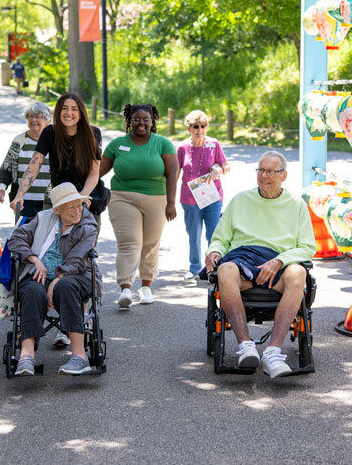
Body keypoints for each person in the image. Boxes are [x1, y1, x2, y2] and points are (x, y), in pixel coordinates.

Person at [204, 151, 315, 378]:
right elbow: (220, 238)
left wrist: (279, 260)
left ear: (283, 176)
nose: (264, 176)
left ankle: (273, 353)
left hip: (279, 265)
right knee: (225, 269)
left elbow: (307, 247)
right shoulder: (241, 200)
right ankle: (246, 347)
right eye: (261, 170)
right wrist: (214, 251)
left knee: (297, 273)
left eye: (270, 172)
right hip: (243, 261)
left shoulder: (296, 205)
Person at [7, 182, 102, 376]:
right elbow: (16, 239)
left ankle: (79, 356)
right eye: (71, 207)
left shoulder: (88, 224)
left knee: (65, 287)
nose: (77, 211)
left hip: (77, 275)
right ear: (57, 209)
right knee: (32, 290)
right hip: (40, 274)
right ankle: (27, 356)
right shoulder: (43, 219)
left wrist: (57, 280)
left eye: (79, 204)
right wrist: (34, 259)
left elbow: (77, 259)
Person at [100, 103, 178, 309]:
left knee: (150, 244)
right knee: (130, 242)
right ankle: (125, 288)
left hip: (156, 199)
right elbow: (98, 171)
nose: (141, 123)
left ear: (152, 121)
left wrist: (171, 203)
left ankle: (146, 287)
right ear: (129, 121)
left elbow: (172, 174)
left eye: (145, 119)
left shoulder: (163, 144)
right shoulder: (117, 144)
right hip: (122, 198)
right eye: (136, 119)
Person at [11, 93, 103, 226]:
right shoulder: (50, 132)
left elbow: (94, 173)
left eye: (74, 109)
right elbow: (34, 166)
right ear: (58, 111)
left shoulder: (93, 134)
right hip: (58, 198)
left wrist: (80, 197)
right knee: (53, 244)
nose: (69, 113)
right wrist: (20, 194)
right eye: (64, 108)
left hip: (86, 198)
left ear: (81, 113)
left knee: (84, 245)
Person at [177, 110, 230, 281]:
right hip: (189, 198)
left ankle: (212, 268)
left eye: (203, 126)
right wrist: (168, 197)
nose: (200, 130)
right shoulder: (182, 147)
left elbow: (226, 166)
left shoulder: (214, 144)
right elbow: (175, 173)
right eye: (195, 126)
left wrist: (219, 169)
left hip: (212, 197)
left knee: (213, 234)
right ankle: (193, 268)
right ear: (189, 128)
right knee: (193, 234)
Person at [0, 101, 53, 218]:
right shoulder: (19, 141)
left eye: (38, 116)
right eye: (31, 116)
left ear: (48, 121)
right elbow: (7, 167)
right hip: (23, 202)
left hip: (49, 202)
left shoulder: (55, 141)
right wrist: (1, 188)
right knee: (23, 235)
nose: (34, 120)